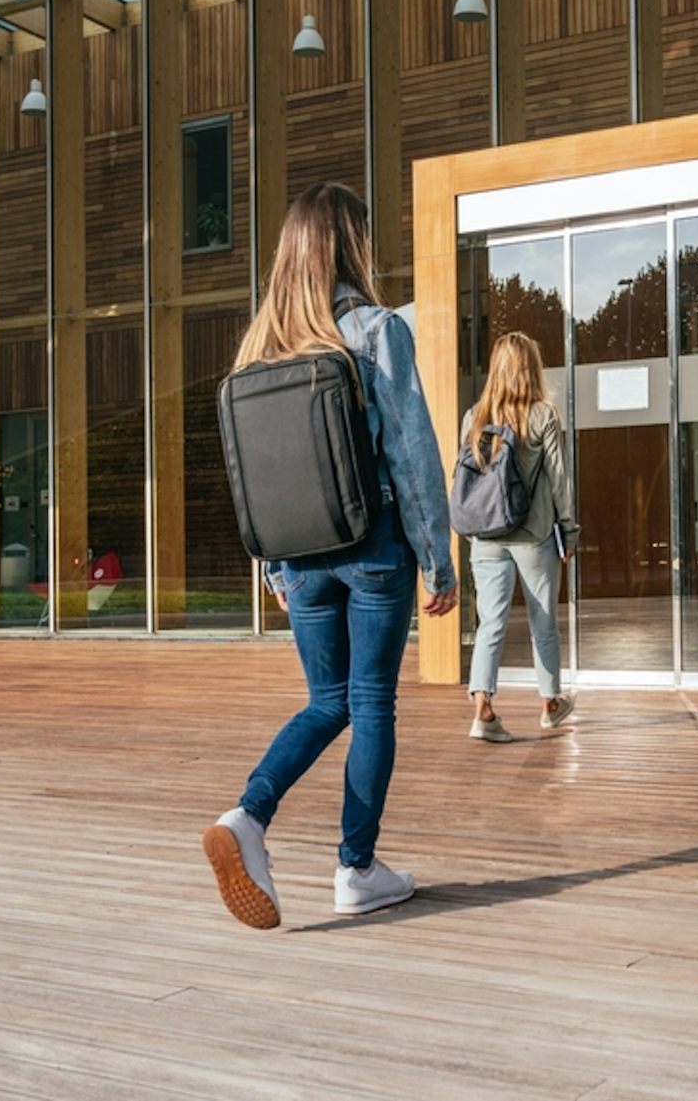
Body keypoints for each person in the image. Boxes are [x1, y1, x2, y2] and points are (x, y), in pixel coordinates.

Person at [202, 183, 458, 930]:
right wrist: (437, 560)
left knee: (327, 700)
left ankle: (249, 816)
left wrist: (275, 568)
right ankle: (356, 867)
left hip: (300, 558)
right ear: (352, 245)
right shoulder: (376, 330)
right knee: (372, 702)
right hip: (373, 546)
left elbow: (253, 473)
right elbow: (412, 453)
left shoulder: (259, 347)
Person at [461, 333, 580, 743]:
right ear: (532, 367)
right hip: (533, 537)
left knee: (490, 624)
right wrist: (569, 529)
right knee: (542, 622)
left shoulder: (474, 416)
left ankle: (483, 711)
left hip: (486, 537)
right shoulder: (543, 415)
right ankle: (550, 703)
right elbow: (560, 480)